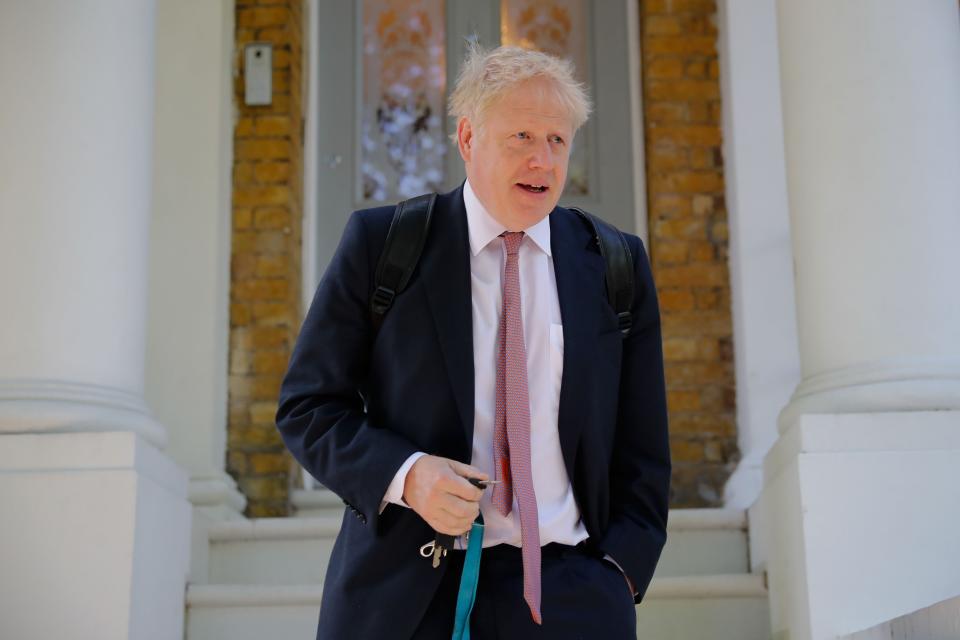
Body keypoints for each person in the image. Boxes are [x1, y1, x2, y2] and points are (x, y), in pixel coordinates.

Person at [276, 44, 671, 640]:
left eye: (557, 141)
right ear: (467, 138)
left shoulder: (615, 263)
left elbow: (644, 445)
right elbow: (307, 407)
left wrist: (620, 573)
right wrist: (407, 476)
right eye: (521, 137)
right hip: (407, 596)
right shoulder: (381, 243)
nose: (542, 160)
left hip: (571, 594)